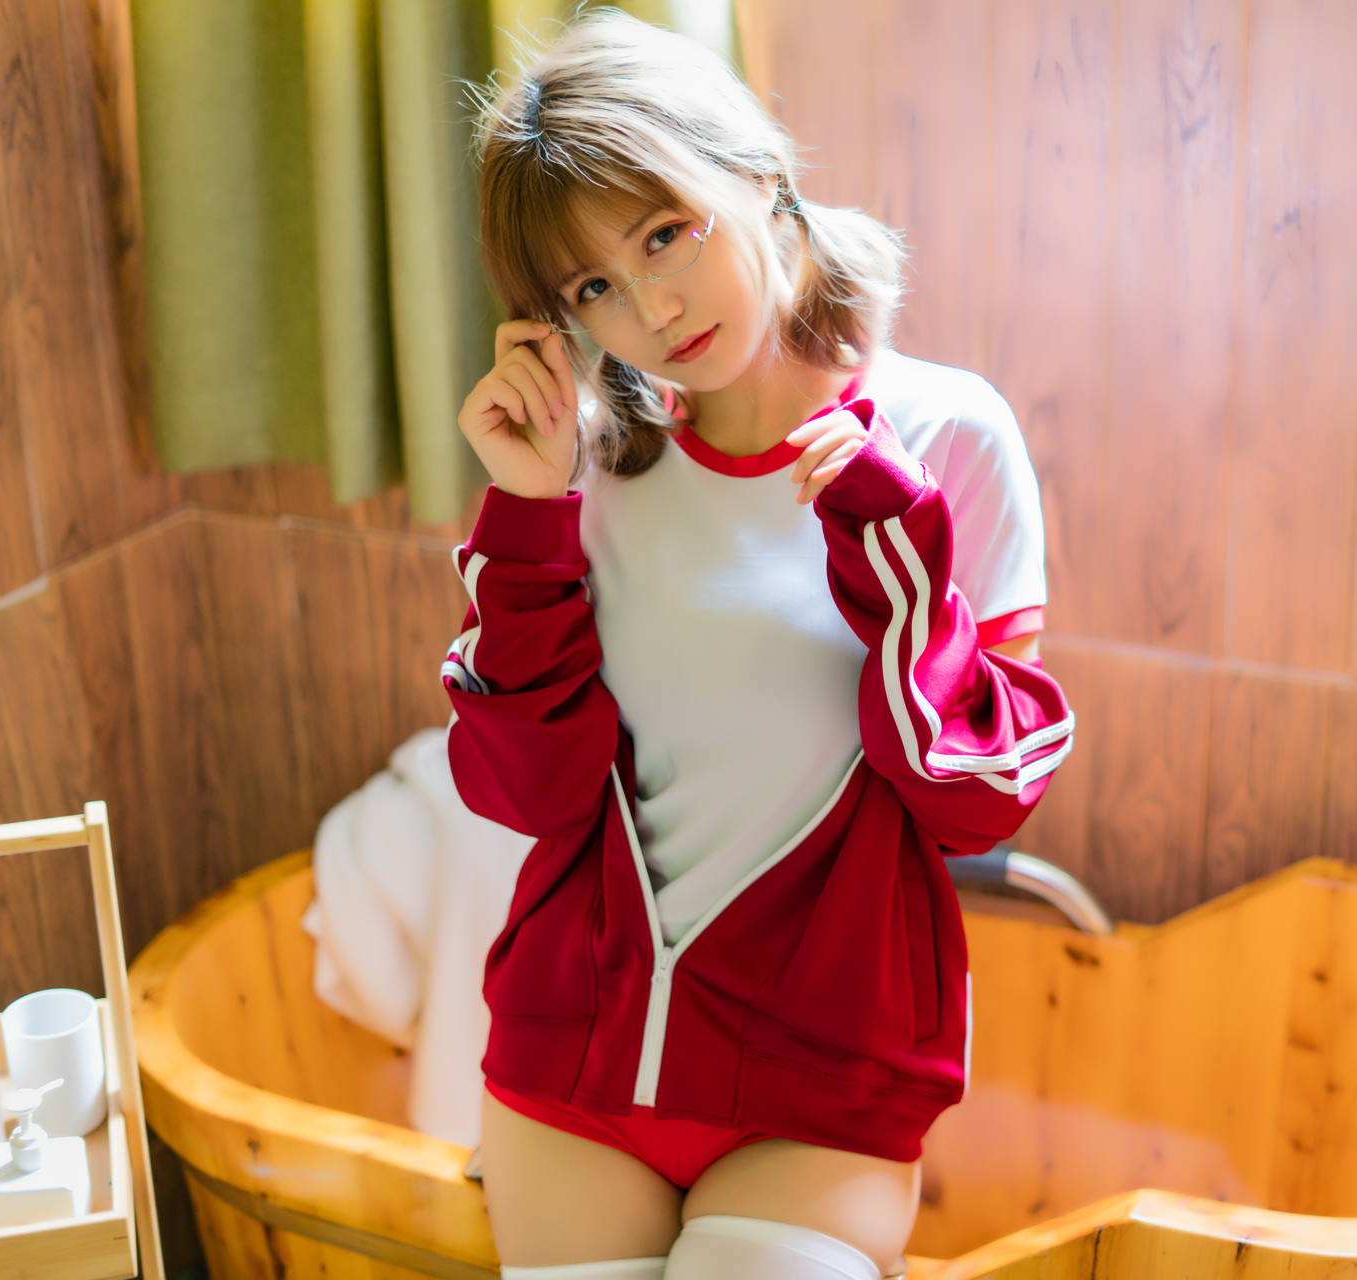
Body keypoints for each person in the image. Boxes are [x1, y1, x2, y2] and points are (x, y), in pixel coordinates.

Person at [442, 11, 1072, 1279]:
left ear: (755, 170)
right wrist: (526, 508)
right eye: (591, 287)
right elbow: (529, 792)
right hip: (573, 1065)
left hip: (820, 1086)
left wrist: (890, 545)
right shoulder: (586, 471)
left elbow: (978, 797)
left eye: (663, 233)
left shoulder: (946, 435)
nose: (650, 308)